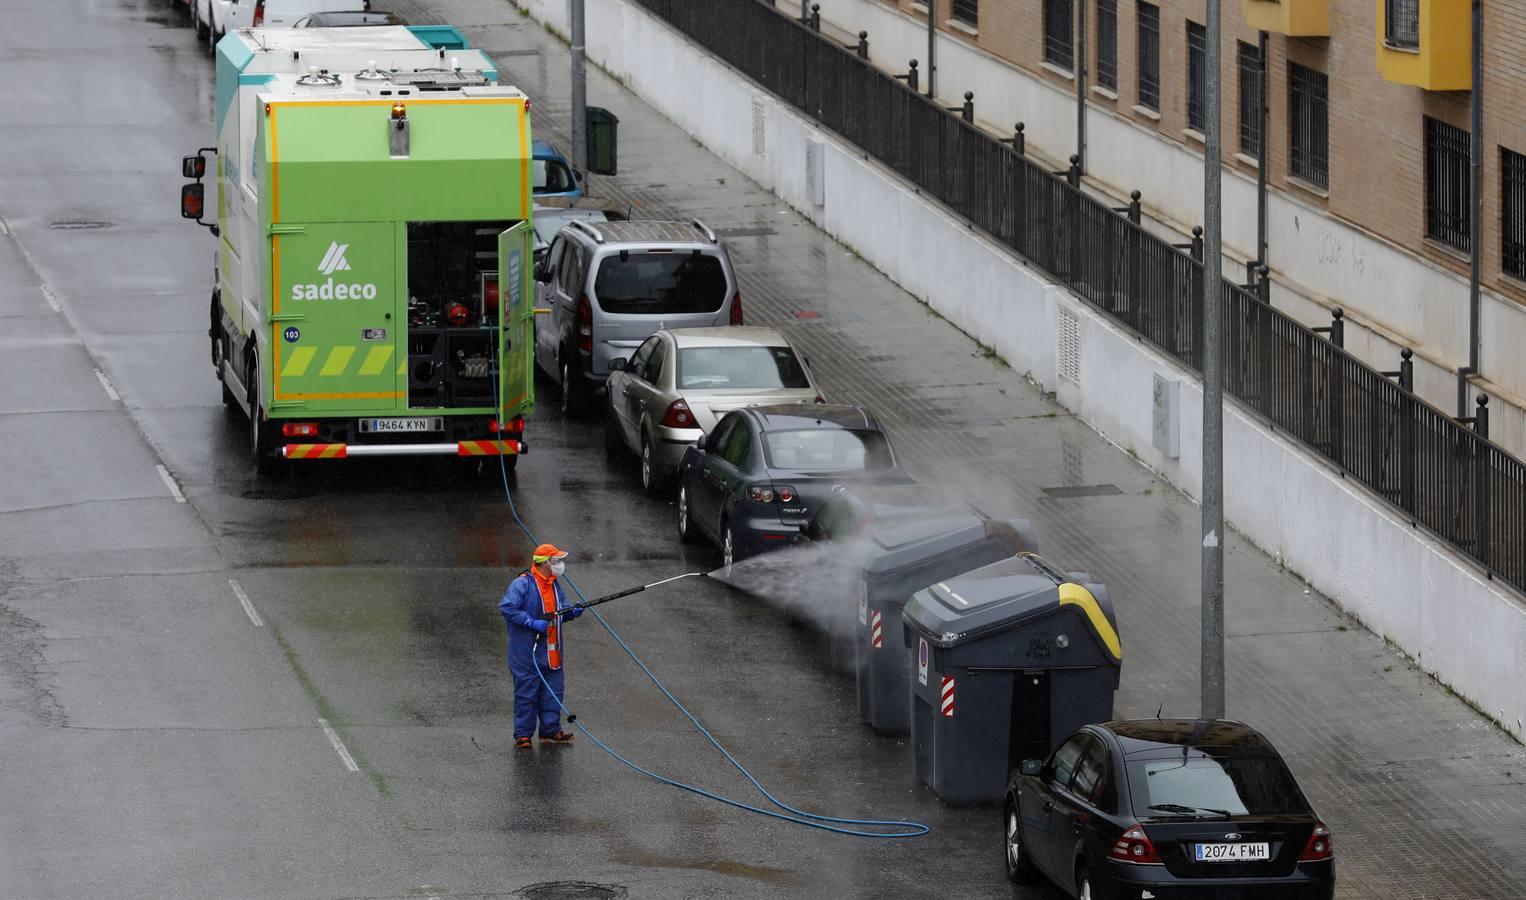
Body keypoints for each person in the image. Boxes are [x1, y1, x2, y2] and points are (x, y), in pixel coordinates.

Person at [499, 543, 584, 749]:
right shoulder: (522, 584)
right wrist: (531, 622)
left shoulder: (554, 585)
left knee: (553, 691)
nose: (560, 565)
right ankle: (523, 734)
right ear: (545, 563)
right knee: (526, 693)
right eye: (556, 561)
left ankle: (550, 730)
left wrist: (571, 613)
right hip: (526, 653)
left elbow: (560, 610)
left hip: (552, 653)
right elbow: (507, 607)